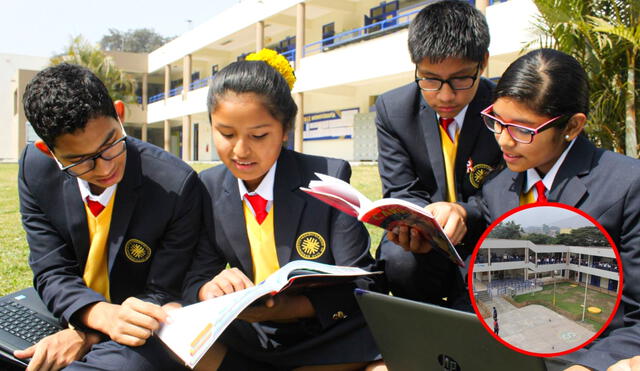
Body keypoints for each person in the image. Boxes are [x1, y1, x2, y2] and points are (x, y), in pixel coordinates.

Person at [182, 49, 381, 370]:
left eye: (259, 135)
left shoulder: (328, 178)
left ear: (286, 128)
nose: (240, 151)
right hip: (250, 333)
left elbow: (363, 285)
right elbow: (194, 277)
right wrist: (210, 288)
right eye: (226, 134)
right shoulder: (207, 186)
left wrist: (286, 309)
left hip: (322, 330)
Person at [460, 48, 640, 371]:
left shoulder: (628, 185)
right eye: (496, 121)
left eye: (522, 129)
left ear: (572, 126)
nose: (503, 141)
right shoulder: (497, 188)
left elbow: (637, 315)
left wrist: (591, 365)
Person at [15, 63, 201, 370]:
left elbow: (164, 291)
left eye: (110, 145)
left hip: (142, 326)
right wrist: (95, 317)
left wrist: (88, 335)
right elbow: (50, 269)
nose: (104, 169)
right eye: (80, 161)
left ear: (119, 114)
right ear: (49, 152)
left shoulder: (176, 186)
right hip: (68, 310)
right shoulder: (35, 169)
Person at [374, 0, 502, 308]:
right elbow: (401, 189)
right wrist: (421, 223)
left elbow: (508, 190)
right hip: (427, 239)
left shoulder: (504, 108)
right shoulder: (393, 110)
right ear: (415, 65)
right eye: (430, 79)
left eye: (460, 79)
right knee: (397, 258)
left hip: (486, 233)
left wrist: (462, 212)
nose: (445, 96)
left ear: (482, 62)